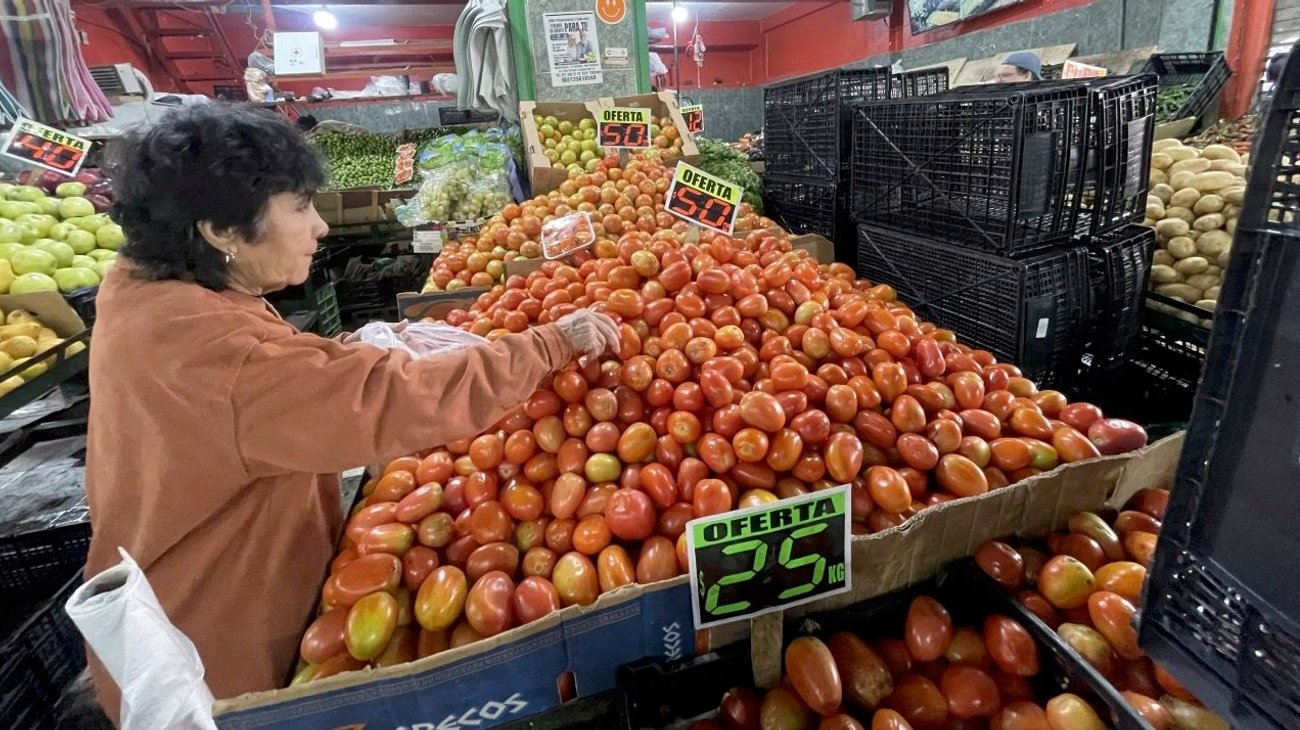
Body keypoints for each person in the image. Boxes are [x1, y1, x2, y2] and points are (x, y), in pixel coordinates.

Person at [83, 104, 619, 724]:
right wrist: (549, 344)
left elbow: (263, 395)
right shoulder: (217, 353)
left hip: (174, 599)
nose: (320, 227)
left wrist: (337, 356)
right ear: (221, 231)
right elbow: (388, 400)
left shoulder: (145, 292)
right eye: (299, 207)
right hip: (217, 649)